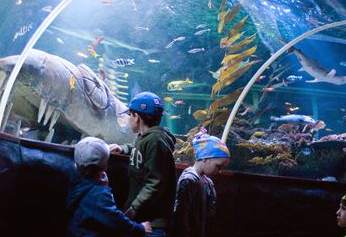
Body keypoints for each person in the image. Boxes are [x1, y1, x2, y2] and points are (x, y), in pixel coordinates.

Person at [109, 92, 177, 237]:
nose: (128, 120)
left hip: (152, 224)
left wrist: (134, 207)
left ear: (137, 117)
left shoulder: (155, 141)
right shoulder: (146, 138)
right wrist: (124, 148)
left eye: (129, 115)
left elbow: (155, 182)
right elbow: (140, 151)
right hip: (143, 220)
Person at [66, 136, 153, 237]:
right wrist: (140, 228)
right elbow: (115, 219)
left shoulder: (76, 183)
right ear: (104, 166)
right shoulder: (99, 194)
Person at [172, 128, 230, 237]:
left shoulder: (207, 181)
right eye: (218, 166)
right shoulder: (189, 179)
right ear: (206, 158)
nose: (220, 171)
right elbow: (181, 213)